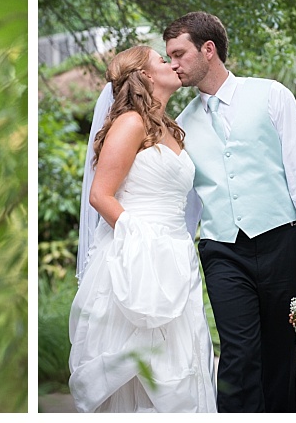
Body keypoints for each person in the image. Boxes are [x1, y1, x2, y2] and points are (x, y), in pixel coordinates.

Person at [164, 11, 296, 413]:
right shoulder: (182, 124)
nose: (172, 64)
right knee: (239, 355)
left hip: (281, 239)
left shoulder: (271, 95)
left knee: (280, 353)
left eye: (178, 53)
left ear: (208, 50)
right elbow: (187, 197)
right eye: (169, 56)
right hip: (222, 249)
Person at [69, 46, 216, 413]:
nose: (172, 64)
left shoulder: (170, 128)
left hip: (176, 256)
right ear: (147, 76)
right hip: (136, 257)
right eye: (163, 60)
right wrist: (142, 242)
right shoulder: (130, 122)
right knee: (139, 368)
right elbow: (100, 195)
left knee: (183, 359)